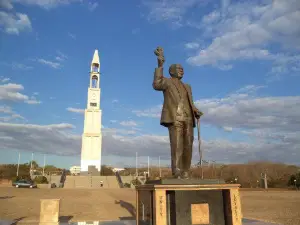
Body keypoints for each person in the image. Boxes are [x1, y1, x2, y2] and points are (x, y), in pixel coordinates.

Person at [153, 47, 203, 179]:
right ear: (171, 71)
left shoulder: (187, 86)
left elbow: (189, 102)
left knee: (188, 144)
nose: (182, 70)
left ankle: (186, 170)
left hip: (188, 118)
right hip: (175, 118)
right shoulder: (167, 82)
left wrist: (195, 110)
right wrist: (160, 65)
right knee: (177, 146)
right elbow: (156, 84)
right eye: (179, 69)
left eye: (183, 69)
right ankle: (177, 171)